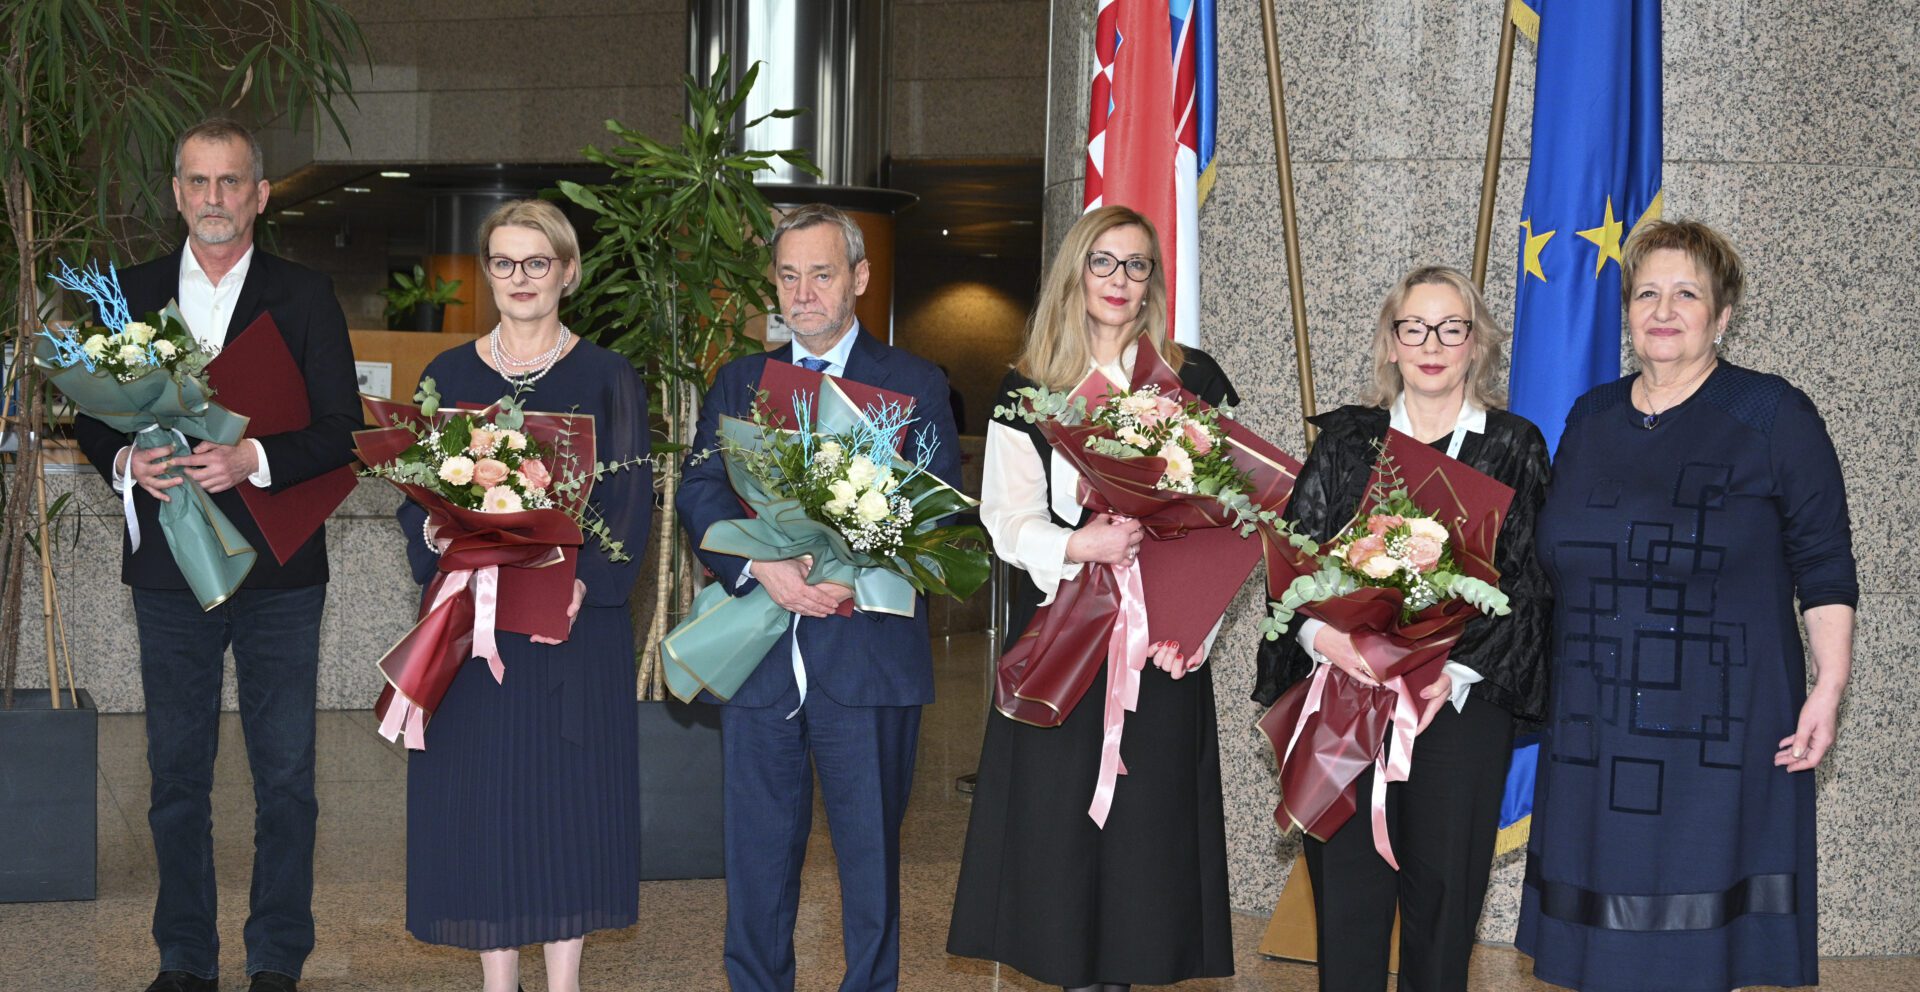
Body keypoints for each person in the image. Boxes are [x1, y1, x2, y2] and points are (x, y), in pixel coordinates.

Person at [1517, 220, 1856, 992]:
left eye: (1686, 295)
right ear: (1627, 312)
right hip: (1593, 726)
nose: (1663, 311)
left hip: (1720, 728)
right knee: (1598, 948)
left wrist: (1829, 685)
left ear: (1723, 314)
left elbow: (1825, 564)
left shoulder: (1773, 414)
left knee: (1692, 950)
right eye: (1646, 294)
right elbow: (1550, 557)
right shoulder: (1590, 416)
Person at [72, 119, 361, 992]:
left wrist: (252, 459)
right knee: (175, 777)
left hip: (279, 569)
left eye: (230, 181)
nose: (213, 198)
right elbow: (91, 418)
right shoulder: (130, 292)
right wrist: (126, 463)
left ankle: (277, 956)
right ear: (176, 193)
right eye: (197, 181)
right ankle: (185, 956)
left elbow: (342, 431)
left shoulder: (304, 295)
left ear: (260, 195)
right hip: (170, 568)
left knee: (287, 779)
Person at [946, 204, 1237, 991]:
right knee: (1060, 843)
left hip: (1161, 644)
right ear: (1076, 271)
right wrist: (1080, 547)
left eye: (1136, 265)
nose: (1118, 279)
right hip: (1067, 636)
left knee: (1146, 848)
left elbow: (1224, 515)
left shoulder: (1191, 380)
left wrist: (1193, 626)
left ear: (1153, 283)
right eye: (1102, 261)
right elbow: (1005, 517)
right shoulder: (1029, 386)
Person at [677, 203, 960, 992]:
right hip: (759, 656)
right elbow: (700, 489)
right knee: (756, 860)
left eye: (822, 274)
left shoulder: (915, 383)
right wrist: (754, 565)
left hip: (867, 658)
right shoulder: (739, 381)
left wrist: (852, 571)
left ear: (859, 278)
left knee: (871, 863)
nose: (803, 294)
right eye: (789, 275)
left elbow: (941, 512)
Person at [1251, 266, 1553, 992]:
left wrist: (1450, 670)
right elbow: (1292, 565)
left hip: (1458, 707)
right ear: (1390, 343)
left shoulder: (1513, 446)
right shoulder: (1348, 442)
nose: (1432, 344)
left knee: (1443, 914)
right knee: (1348, 908)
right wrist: (1326, 640)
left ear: (1477, 343)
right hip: (1345, 696)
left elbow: (1530, 583)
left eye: (1451, 328)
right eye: (1414, 328)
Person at [396, 200, 650, 992]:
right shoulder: (448, 375)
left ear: (567, 272)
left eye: (537, 262)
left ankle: (565, 981)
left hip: (570, 630)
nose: (520, 278)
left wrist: (586, 586)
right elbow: (417, 495)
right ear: (487, 273)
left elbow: (629, 506)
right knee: (485, 806)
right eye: (504, 263)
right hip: (472, 628)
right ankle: (497, 980)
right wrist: (433, 531)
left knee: (568, 804)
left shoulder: (608, 376)